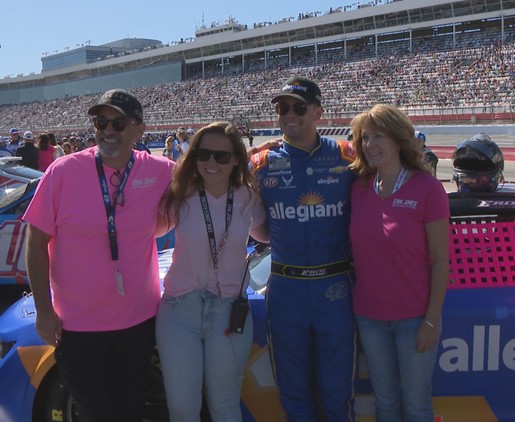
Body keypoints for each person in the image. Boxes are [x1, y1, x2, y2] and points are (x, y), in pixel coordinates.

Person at [23, 89, 174, 422]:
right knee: (97, 414)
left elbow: (213, 172)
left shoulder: (161, 171)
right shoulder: (62, 172)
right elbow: (35, 244)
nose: (107, 130)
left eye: (118, 123)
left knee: (133, 410)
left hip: (139, 323)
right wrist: (44, 311)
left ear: (139, 130)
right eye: (100, 122)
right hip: (78, 328)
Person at [250, 76, 357, 421]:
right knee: (294, 393)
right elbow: (260, 232)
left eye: (298, 107)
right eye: (282, 107)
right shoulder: (260, 164)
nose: (288, 114)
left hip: (335, 287)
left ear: (318, 112)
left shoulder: (348, 155)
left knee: (338, 392)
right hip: (286, 289)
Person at [156, 121, 268, 420]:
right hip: (180, 310)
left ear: (235, 160)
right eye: (203, 154)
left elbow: (267, 236)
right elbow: (146, 230)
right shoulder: (180, 194)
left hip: (228, 311)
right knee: (183, 409)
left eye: (221, 156)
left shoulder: (248, 197)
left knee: (225, 406)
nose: (211, 163)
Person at [349, 104, 450, 421]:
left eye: (378, 136)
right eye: (365, 138)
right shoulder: (359, 188)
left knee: (416, 403)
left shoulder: (428, 189)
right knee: (385, 402)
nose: (370, 145)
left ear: (398, 140)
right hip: (369, 317)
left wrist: (431, 320)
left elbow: (440, 260)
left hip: (414, 319)